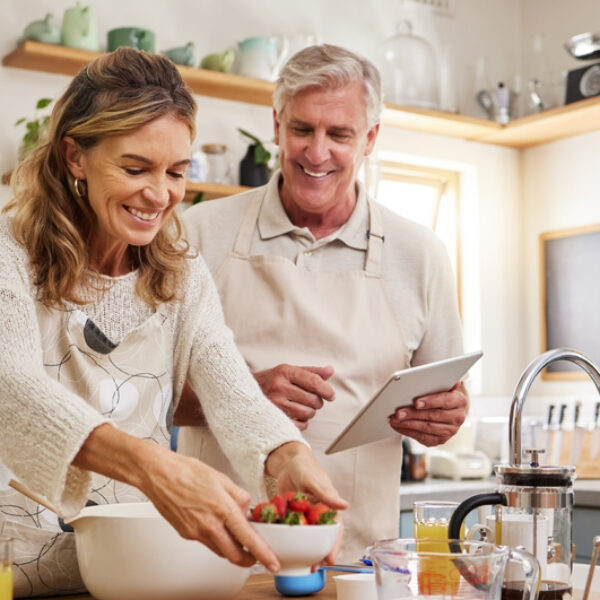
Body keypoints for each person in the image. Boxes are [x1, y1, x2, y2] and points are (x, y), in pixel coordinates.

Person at [0, 47, 346, 598]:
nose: (160, 194)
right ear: (74, 157)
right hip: (17, 573)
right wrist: (154, 468)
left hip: (132, 572)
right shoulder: (9, 253)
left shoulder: (179, 272)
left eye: (176, 172)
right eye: (135, 168)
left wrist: (289, 457)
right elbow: (11, 389)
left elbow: (233, 393)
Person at [179, 44, 468, 562]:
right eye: (302, 129)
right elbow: (143, 397)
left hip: (358, 563)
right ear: (276, 125)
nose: (317, 153)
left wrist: (445, 417)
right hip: (214, 559)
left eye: (339, 134)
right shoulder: (198, 234)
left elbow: (445, 409)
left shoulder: (420, 255)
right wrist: (241, 396)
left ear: (370, 138)